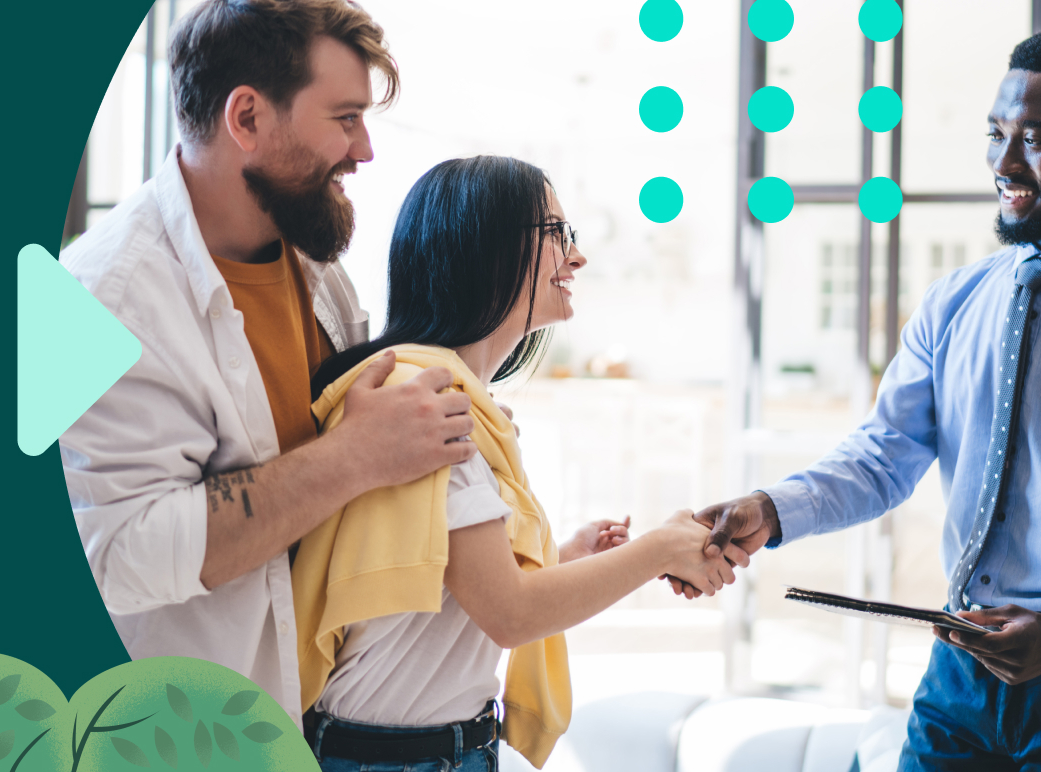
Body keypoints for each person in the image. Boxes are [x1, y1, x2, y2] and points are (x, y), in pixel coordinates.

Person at [692, 28, 1041, 771]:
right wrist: (771, 510)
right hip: (955, 682)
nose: (1004, 163)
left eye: (1036, 139)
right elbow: (882, 459)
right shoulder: (954, 301)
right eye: (996, 134)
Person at [59, 0, 487, 726]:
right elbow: (117, 555)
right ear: (248, 117)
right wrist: (355, 456)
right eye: (345, 117)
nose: (364, 151)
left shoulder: (314, 263)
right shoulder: (104, 299)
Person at [294, 156, 734, 771]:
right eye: (557, 234)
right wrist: (660, 550)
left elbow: (446, 593)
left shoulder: (446, 397)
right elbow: (510, 612)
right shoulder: (430, 408)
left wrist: (563, 563)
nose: (576, 258)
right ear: (487, 248)